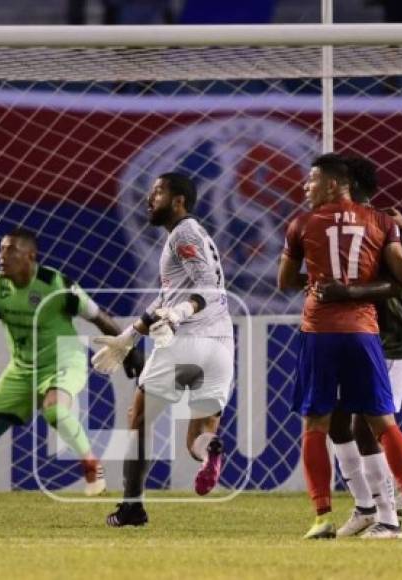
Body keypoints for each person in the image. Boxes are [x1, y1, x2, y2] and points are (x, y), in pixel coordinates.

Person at [278, 153, 402, 540]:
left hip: (319, 331)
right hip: (365, 333)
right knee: (382, 422)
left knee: (316, 425)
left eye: (312, 181)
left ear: (335, 184)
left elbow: (284, 280)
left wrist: (319, 276)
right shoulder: (383, 221)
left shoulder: (301, 224)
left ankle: (322, 517)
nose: (305, 188)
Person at [91, 172, 234, 527]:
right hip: (220, 347)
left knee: (137, 419)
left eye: (157, 193)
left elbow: (204, 289)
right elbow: (169, 299)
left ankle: (132, 507)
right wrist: (128, 337)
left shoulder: (184, 233)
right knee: (197, 437)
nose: (149, 199)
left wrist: (180, 313)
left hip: (186, 339)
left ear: (179, 201)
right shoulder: (190, 237)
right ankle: (210, 452)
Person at [0, 228, 143, 495]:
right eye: (1, 249)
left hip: (63, 360)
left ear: (31, 255)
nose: (2, 256)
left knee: (55, 410)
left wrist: (128, 349)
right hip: (22, 368)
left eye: (10, 249)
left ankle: (92, 466)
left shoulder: (56, 285)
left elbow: (98, 317)